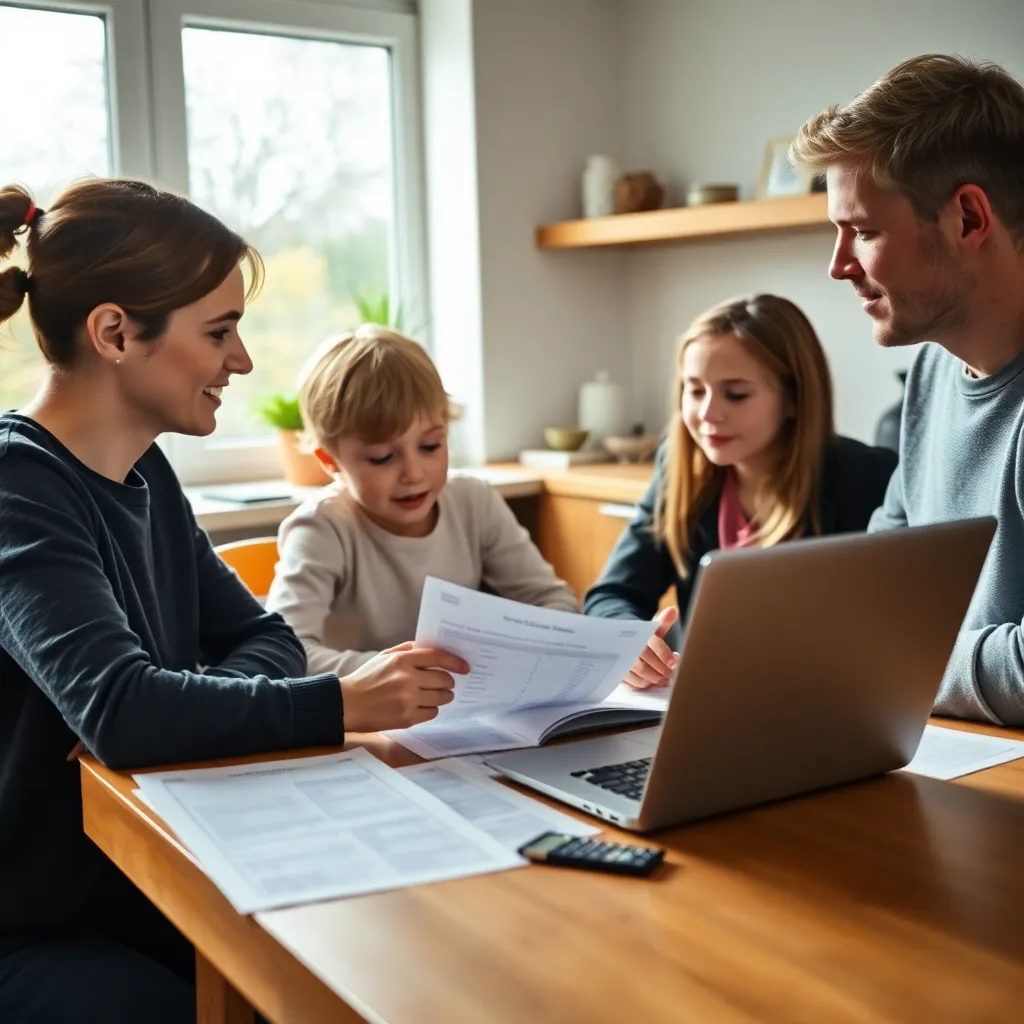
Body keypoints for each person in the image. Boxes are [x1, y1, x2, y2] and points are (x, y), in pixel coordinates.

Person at [0, 179, 465, 1023]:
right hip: (37, 928)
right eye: (219, 332)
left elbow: (264, 638)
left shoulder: (147, 469)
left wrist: (166, 707)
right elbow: (125, 707)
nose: (242, 361)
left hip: (151, 875)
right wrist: (339, 702)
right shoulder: (16, 486)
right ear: (114, 333)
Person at [790, 54, 1024, 726]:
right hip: (938, 744)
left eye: (863, 232)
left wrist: (886, 661)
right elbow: (881, 579)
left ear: (969, 219)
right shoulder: (932, 372)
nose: (838, 267)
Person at [583, 294, 897, 688]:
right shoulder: (680, 467)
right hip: (705, 699)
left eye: (736, 393)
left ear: (794, 399)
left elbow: (891, 631)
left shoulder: (869, 475)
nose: (708, 413)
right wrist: (628, 640)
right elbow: (609, 596)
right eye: (695, 390)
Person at [266, 325, 579, 682]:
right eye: (383, 457)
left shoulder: (473, 501)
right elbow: (285, 652)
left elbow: (554, 601)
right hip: (363, 727)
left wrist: (521, 649)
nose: (414, 473)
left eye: (431, 446)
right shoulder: (322, 528)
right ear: (330, 462)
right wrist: (392, 671)